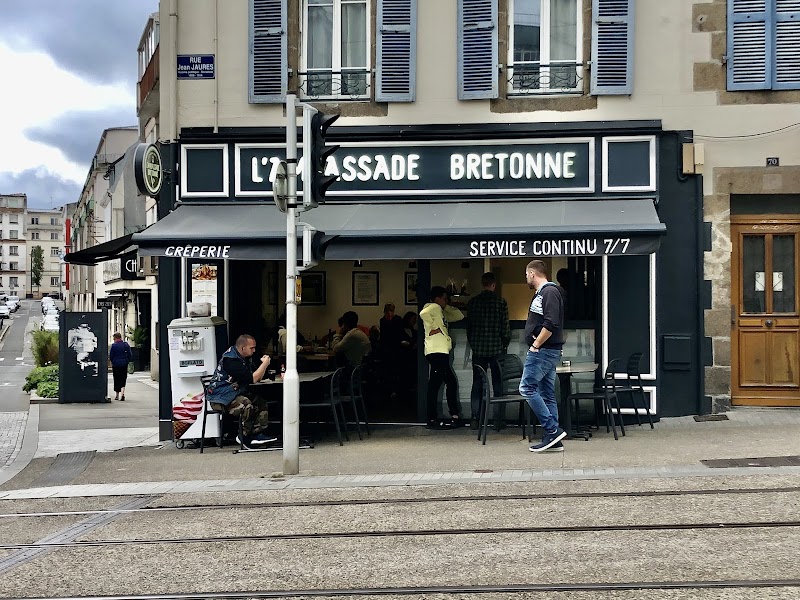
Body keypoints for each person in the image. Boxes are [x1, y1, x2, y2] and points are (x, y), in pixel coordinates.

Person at [520, 260, 566, 453]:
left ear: (532, 273)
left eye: (526, 275)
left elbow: (551, 321)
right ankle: (553, 440)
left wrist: (536, 344)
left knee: (526, 388)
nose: (526, 279)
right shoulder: (544, 293)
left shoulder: (549, 291)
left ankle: (552, 429)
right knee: (546, 393)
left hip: (543, 351)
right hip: (546, 350)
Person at [205, 334, 278, 449]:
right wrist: (264, 364)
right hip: (220, 398)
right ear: (242, 348)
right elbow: (252, 378)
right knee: (246, 404)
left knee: (260, 402)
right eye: (252, 348)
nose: (254, 351)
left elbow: (256, 377)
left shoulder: (244, 358)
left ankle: (257, 434)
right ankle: (244, 437)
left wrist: (263, 367)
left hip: (233, 393)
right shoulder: (231, 360)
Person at [466, 272, 511, 430]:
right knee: (498, 384)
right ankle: (498, 419)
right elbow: (505, 329)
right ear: (493, 285)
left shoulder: (473, 303)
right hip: (496, 349)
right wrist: (504, 344)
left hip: (478, 349)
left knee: (477, 383)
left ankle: (475, 418)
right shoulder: (500, 302)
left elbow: (469, 328)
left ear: (482, 284)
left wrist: (474, 343)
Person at [420, 286, 465, 429]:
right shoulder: (433, 307)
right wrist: (434, 327)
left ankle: (440, 417)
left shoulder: (440, 311)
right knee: (446, 383)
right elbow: (423, 312)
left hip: (440, 351)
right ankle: (445, 417)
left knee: (437, 384)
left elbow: (459, 316)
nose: (446, 301)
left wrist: (447, 307)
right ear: (437, 298)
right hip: (436, 351)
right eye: (444, 298)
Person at [109, 332, 133, 401]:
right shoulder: (125, 345)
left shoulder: (113, 346)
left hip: (116, 364)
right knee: (123, 378)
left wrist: (113, 362)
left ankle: (116, 395)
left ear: (115, 338)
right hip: (123, 364)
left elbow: (111, 356)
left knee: (116, 379)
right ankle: (122, 393)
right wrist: (127, 361)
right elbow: (130, 354)